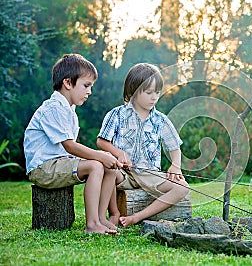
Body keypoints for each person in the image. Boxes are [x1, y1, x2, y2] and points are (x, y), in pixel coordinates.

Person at [23, 54, 122, 235]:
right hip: (42, 168)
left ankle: (100, 219)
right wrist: (100, 155)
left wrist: (107, 157)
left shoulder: (69, 111)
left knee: (109, 168)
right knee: (95, 166)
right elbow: (70, 146)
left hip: (59, 162)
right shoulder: (53, 108)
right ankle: (91, 225)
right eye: (86, 85)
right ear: (68, 83)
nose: (89, 91)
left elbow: (69, 151)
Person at [97, 63, 190, 228]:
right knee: (107, 166)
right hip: (123, 173)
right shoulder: (116, 114)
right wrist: (118, 153)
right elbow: (102, 141)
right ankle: (113, 213)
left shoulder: (160, 120)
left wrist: (176, 166)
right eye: (148, 93)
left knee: (182, 188)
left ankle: (137, 217)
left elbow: (174, 147)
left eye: (157, 92)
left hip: (150, 174)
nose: (154, 97)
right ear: (132, 92)